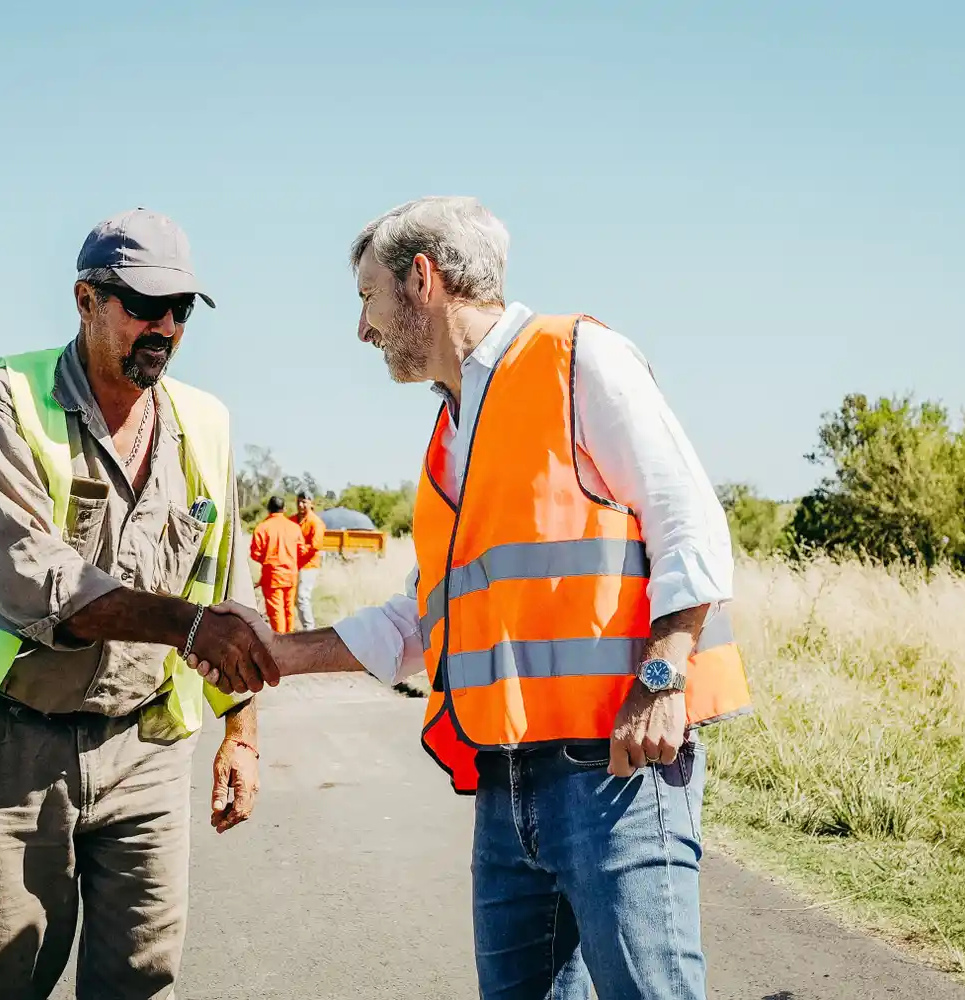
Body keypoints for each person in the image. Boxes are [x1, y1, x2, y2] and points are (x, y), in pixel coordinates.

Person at [193, 196, 752, 1000]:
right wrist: (278, 652)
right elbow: (423, 620)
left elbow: (687, 516)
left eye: (367, 297)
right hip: (505, 782)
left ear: (421, 279)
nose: (362, 329)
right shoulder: (453, 430)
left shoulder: (576, 358)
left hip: (617, 771)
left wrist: (663, 678)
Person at [0, 207, 272, 1000]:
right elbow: (37, 583)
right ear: (86, 300)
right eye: (144, 306)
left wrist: (242, 733)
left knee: (141, 982)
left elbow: (226, 586)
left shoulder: (206, 424)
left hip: (145, 748)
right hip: (11, 750)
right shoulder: (4, 403)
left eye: (181, 309)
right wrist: (187, 625)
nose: (166, 328)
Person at [248, 494, 303, 633]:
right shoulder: (294, 527)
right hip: (291, 575)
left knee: (276, 612)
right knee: (289, 609)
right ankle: (290, 638)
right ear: (284, 509)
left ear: (268, 509)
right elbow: (301, 550)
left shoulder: (262, 528)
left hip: (272, 576)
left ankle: (281, 640)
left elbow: (255, 553)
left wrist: (268, 561)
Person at [292, 491, 326, 630]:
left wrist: (300, 548)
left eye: (304, 502)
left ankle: (309, 630)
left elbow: (315, 545)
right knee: (294, 598)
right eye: (298, 502)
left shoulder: (316, 522)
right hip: (294, 565)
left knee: (302, 597)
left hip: (309, 565)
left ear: (311, 503)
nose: (300, 505)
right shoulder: (292, 520)